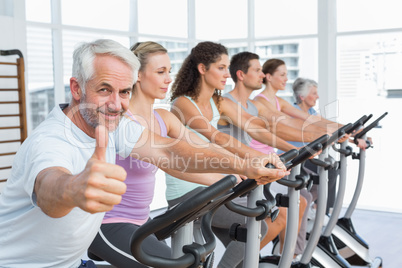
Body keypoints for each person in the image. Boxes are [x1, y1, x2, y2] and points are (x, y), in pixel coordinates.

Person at [0, 39, 288, 268]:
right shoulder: (51, 141)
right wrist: (74, 189)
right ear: (77, 88)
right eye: (104, 89)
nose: (116, 103)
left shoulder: (114, 126)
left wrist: (246, 164)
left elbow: (172, 152)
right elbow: (50, 187)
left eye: (124, 92)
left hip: (73, 262)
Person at [88, 41, 240, 268]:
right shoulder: (119, 119)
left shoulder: (163, 117)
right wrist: (229, 175)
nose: (169, 79)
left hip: (142, 221)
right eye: (161, 72)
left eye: (169, 71)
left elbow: (204, 148)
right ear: (137, 75)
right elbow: (171, 161)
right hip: (108, 223)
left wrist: (242, 168)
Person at [167, 41, 297, 268]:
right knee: (259, 227)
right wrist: (254, 159)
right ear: (202, 69)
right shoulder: (182, 103)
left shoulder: (220, 102)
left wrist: (289, 149)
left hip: (213, 186)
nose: (227, 74)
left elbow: (254, 126)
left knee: (247, 243)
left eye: (227, 67)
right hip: (188, 191)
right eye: (221, 67)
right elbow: (217, 137)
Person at [219, 51, 310, 258]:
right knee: (280, 215)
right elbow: (259, 130)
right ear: (242, 75)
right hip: (233, 179)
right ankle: (269, 258)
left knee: (295, 204)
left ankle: (277, 258)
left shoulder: (251, 105)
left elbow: (271, 128)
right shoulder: (225, 102)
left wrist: (299, 146)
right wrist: (293, 147)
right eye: (258, 70)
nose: (262, 74)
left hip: (251, 175)